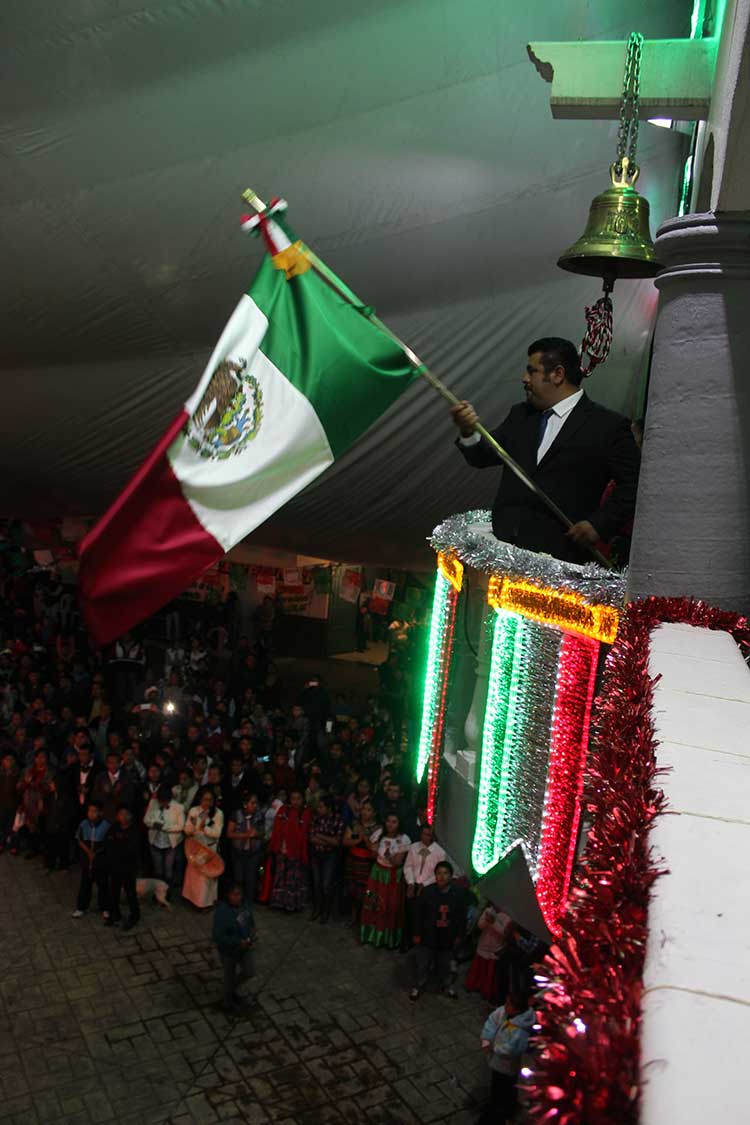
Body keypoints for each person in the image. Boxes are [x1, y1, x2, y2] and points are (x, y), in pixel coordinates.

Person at [451, 337, 640, 563]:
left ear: (557, 374)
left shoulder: (607, 426)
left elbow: (635, 484)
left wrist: (598, 524)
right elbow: (482, 456)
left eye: (532, 371)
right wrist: (467, 431)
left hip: (560, 560)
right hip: (503, 554)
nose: (524, 378)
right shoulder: (520, 416)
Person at [409, 860, 467, 1001]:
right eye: (439, 873)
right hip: (428, 936)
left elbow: (461, 916)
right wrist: (416, 933)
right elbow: (418, 915)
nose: (442, 876)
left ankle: (446, 986)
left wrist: (459, 935)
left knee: (445, 965)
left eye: (445, 873)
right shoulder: (427, 892)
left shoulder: (458, 894)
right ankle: (418, 986)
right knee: (423, 964)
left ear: (451, 876)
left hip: (447, 937)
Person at [479, 992, 535, 1124]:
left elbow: (511, 1049)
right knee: (498, 1083)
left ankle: (501, 1111)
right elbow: (492, 1021)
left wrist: (493, 1048)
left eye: (509, 1004)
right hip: (497, 1062)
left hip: (507, 1066)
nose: (505, 1006)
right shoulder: (504, 1013)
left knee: (505, 1086)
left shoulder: (521, 1031)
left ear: (517, 1010)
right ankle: (502, 1105)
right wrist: (487, 1038)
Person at [360, 813, 411, 949]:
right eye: (388, 821)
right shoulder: (379, 833)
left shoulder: (404, 839)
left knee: (391, 906)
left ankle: (388, 939)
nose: (390, 824)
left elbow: (397, 862)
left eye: (394, 822)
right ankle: (371, 935)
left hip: (393, 876)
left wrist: (387, 854)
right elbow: (372, 852)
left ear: (399, 823)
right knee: (373, 903)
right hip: (377, 874)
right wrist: (373, 850)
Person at [212, 883, 257, 1016]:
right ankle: (227, 1003)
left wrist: (253, 930)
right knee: (229, 976)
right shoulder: (222, 912)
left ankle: (231, 990)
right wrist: (237, 942)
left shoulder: (245, 905)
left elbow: (250, 919)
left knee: (250, 971)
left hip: (246, 947)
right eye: (235, 895)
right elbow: (218, 937)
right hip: (229, 952)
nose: (238, 897)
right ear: (228, 896)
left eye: (240, 894)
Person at [403, 825, 447, 949]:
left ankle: (422, 941)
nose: (425, 837)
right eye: (423, 834)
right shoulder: (414, 847)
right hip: (413, 884)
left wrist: (425, 884)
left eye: (428, 834)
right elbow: (408, 866)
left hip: (428, 888)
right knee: (410, 913)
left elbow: (438, 873)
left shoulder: (439, 852)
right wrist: (411, 882)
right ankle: (407, 940)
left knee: (423, 916)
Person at [268, 789, 311, 913]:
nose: (295, 801)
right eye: (293, 798)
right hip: (282, 849)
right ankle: (278, 903)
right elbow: (276, 828)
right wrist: (274, 846)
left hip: (296, 852)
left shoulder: (306, 812)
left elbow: (304, 833)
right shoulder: (283, 810)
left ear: (303, 799)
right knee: (280, 877)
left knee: (293, 879)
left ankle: (291, 905)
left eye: (298, 798)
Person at [182, 789, 224, 909]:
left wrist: (202, 826)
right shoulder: (194, 810)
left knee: (206, 877)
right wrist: (193, 826)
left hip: (209, 849)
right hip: (195, 847)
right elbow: (187, 829)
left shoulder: (218, 813)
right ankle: (191, 899)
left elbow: (217, 833)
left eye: (210, 800)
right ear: (200, 799)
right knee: (193, 874)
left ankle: (205, 903)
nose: (207, 802)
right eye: (205, 799)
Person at [342, 798, 380, 928]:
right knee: (353, 890)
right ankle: (354, 916)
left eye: (368, 810)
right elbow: (345, 841)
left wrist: (363, 838)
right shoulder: (354, 824)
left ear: (374, 812)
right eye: (364, 809)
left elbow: (375, 848)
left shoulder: (378, 828)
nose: (365, 812)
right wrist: (359, 839)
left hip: (368, 864)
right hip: (353, 862)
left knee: (367, 891)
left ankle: (366, 918)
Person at [309, 792, 345, 924]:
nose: (318, 809)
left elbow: (338, 842)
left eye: (321, 807)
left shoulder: (338, 819)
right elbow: (312, 838)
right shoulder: (316, 818)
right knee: (317, 883)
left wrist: (321, 836)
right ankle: (317, 909)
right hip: (316, 854)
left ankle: (326, 911)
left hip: (330, 856)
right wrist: (328, 840)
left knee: (326, 884)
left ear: (329, 808)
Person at [465, 903, 512, 1001]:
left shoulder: (508, 915)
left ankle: (486, 991)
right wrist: (487, 921)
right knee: (479, 968)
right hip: (483, 944)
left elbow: (504, 933)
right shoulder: (488, 910)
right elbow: (480, 926)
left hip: (495, 947)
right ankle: (474, 986)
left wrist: (494, 922)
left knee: (490, 972)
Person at [72, 800, 110, 919]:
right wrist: (88, 852)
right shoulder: (83, 824)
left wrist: (95, 853)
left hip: (100, 860)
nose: (91, 814)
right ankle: (81, 907)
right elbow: (79, 839)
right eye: (89, 811)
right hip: (86, 860)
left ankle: (105, 907)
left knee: (103, 884)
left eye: (94, 811)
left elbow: (107, 844)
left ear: (100, 813)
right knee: (85, 884)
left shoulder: (106, 826)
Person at [105, 806, 141, 930]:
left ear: (129, 816)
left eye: (123, 813)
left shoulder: (135, 830)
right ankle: (115, 914)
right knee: (113, 891)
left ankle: (134, 916)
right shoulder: (114, 827)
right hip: (115, 866)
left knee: (130, 893)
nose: (120, 816)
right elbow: (108, 841)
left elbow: (131, 849)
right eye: (119, 813)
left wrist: (117, 846)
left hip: (128, 867)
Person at [143, 784, 185, 888]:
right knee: (158, 870)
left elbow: (180, 826)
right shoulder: (153, 803)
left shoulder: (178, 807)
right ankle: (158, 891)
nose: (162, 803)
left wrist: (164, 827)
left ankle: (167, 893)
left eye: (165, 801)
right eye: (160, 800)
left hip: (170, 844)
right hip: (155, 842)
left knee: (168, 870)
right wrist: (153, 824)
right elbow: (146, 820)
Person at [228, 792, 265, 905]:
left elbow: (263, 832)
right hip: (238, 852)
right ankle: (238, 900)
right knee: (239, 878)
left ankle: (249, 902)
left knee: (251, 878)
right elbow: (229, 833)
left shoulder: (259, 815)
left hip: (253, 852)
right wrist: (245, 835)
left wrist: (256, 833)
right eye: (252, 803)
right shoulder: (236, 814)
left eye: (256, 803)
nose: (255, 805)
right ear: (245, 804)